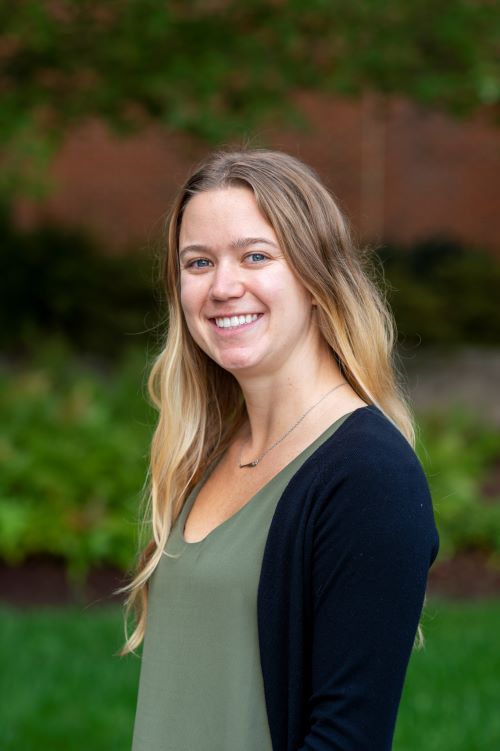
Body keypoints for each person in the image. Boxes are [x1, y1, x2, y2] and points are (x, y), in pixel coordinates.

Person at [122, 149, 439, 751]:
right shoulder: (205, 451)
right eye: (198, 262)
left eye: (256, 256)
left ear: (317, 279)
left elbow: (348, 738)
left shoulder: (369, 475)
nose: (222, 286)